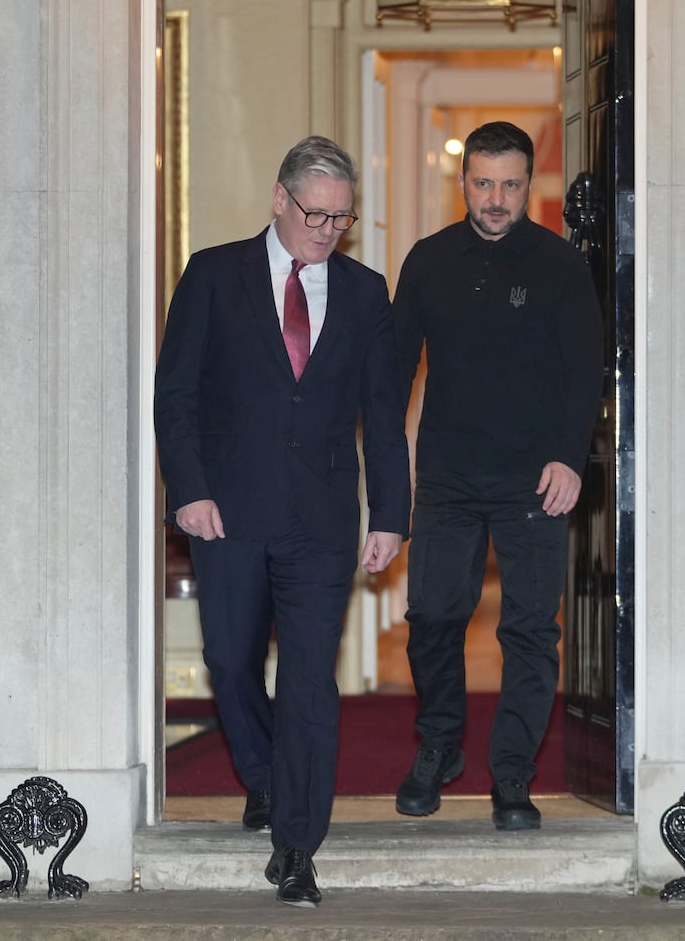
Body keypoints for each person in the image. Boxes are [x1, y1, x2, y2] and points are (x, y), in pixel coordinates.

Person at [154, 135, 411, 907]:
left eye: (342, 217)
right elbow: (177, 399)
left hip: (322, 518)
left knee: (308, 681)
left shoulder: (366, 294)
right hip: (227, 510)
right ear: (279, 198)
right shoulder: (211, 274)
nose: (328, 230)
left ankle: (297, 845)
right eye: (315, 214)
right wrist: (189, 490)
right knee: (230, 662)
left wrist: (391, 514)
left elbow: (384, 415)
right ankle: (264, 777)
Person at [390, 120, 604, 831]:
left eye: (511, 184)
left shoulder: (561, 264)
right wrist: (381, 464)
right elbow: (394, 372)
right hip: (448, 474)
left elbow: (585, 373)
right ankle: (440, 743)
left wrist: (569, 455)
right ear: (464, 184)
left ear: (529, 184)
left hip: (534, 479)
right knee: (432, 616)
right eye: (483, 183)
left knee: (529, 631)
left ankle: (512, 775)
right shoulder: (427, 261)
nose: (496, 198)